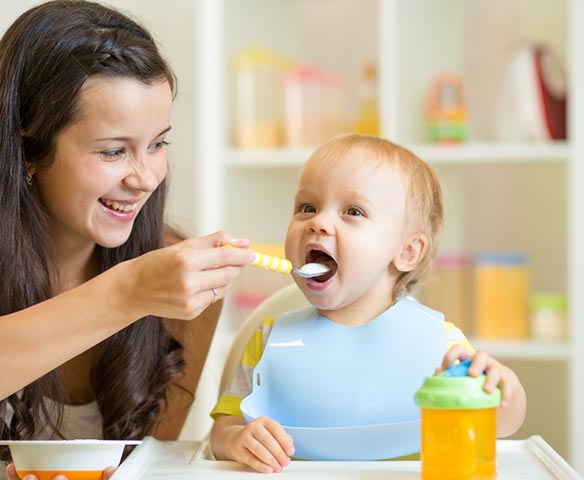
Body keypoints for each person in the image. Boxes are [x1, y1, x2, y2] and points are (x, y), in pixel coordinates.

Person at [0, 2, 254, 480]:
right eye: (114, 150)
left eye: (157, 144)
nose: (146, 178)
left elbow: (143, 469)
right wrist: (125, 293)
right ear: (28, 148)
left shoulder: (174, 279)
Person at [209, 134, 527, 473]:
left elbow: (503, 424)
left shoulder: (441, 346)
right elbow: (220, 434)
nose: (318, 222)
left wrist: (502, 385)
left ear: (407, 252)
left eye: (353, 211)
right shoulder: (268, 340)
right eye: (307, 207)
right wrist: (237, 440)